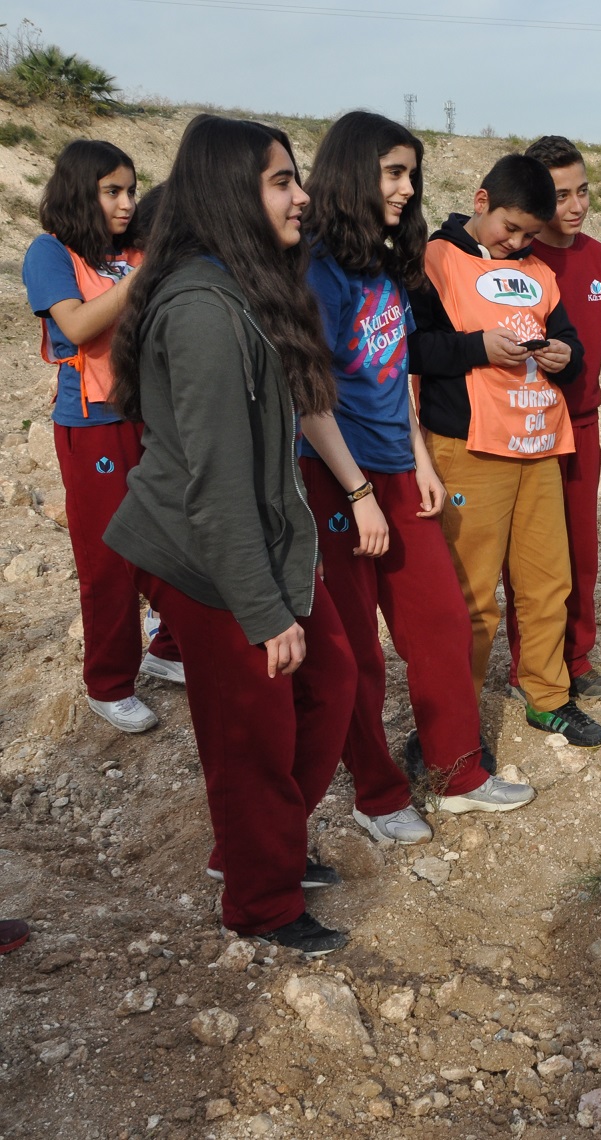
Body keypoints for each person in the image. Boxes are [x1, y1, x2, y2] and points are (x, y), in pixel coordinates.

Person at [105, 115, 358, 955]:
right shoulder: (204, 312)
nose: (302, 195)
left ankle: (257, 845)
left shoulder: (241, 288)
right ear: (230, 194)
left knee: (332, 679)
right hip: (204, 557)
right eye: (282, 180)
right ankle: (259, 899)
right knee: (254, 733)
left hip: (251, 542)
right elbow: (214, 487)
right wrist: (262, 610)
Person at [296, 111, 529, 844]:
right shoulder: (314, 268)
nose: (406, 188)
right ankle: (376, 796)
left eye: (410, 175)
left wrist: (419, 460)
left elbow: (392, 371)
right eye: (393, 172)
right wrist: (360, 491)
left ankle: (459, 775)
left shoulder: (386, 262)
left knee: (441, 620)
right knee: (357, 649)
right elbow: (308, 395)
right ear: (353, 172)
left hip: (398, 470)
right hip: (336, 477)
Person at [410, 154, 601, 749]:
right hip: (469, 447)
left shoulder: (537, 270)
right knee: (470, 596)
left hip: (539, 445)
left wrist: (563, 355)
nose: (517, 241)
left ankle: (546, 695)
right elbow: (414, 347)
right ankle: (453, 721)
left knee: (547, 582)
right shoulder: (436, 260)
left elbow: (567, 337)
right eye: (510, 228)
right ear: (480, 200)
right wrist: (477, 348)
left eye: (528, 234)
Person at [24, 140, 183, 734]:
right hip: (92, 424)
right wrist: (144, 275)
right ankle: (109, 683)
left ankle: (167, 650)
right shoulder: (50, 254)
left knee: (173, 533)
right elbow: (79, 323)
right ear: (79, 193)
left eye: (131, 191)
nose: (125, 203)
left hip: (149, 413)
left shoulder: (128, 252)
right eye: (112, 191)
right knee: (109, 557)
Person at [493, 137, 601, 707]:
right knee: (531, 558)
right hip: (529, 430)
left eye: (583, 191)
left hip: (586, 424)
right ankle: (530, 665)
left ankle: (578, 657)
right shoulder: (513, 263)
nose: (574, 206)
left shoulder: (599, 260)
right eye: (560, 194)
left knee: (582, 550)